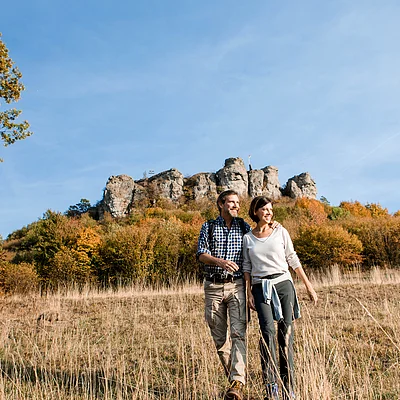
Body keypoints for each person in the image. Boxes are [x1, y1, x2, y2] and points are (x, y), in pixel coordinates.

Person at [243, 196, 318, 400]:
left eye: (270, 209)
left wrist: (308, 286)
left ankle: (288, 389)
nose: (268, 212)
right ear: (255, 211)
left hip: (284, 284)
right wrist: (249, 292)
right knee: (267, 333)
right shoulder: (248, 238)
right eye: (264, 209)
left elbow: (292, 258)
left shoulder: (280, 231)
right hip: (261, 287)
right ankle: (271, 387)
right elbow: (247, 268)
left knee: (285, 335)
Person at [197, 189, 251, 400]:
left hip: (237, 286)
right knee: (220, 338)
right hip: (213, 287)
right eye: (232, 202)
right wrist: (219, 262)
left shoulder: (243, 226)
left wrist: (272, 226)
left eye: (238, 203)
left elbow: (258, 237)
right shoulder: (208, 226)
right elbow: (200, 254)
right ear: (221, 204)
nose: (237, 206)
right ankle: (235, 380)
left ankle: (237, 382)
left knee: (239, 334)